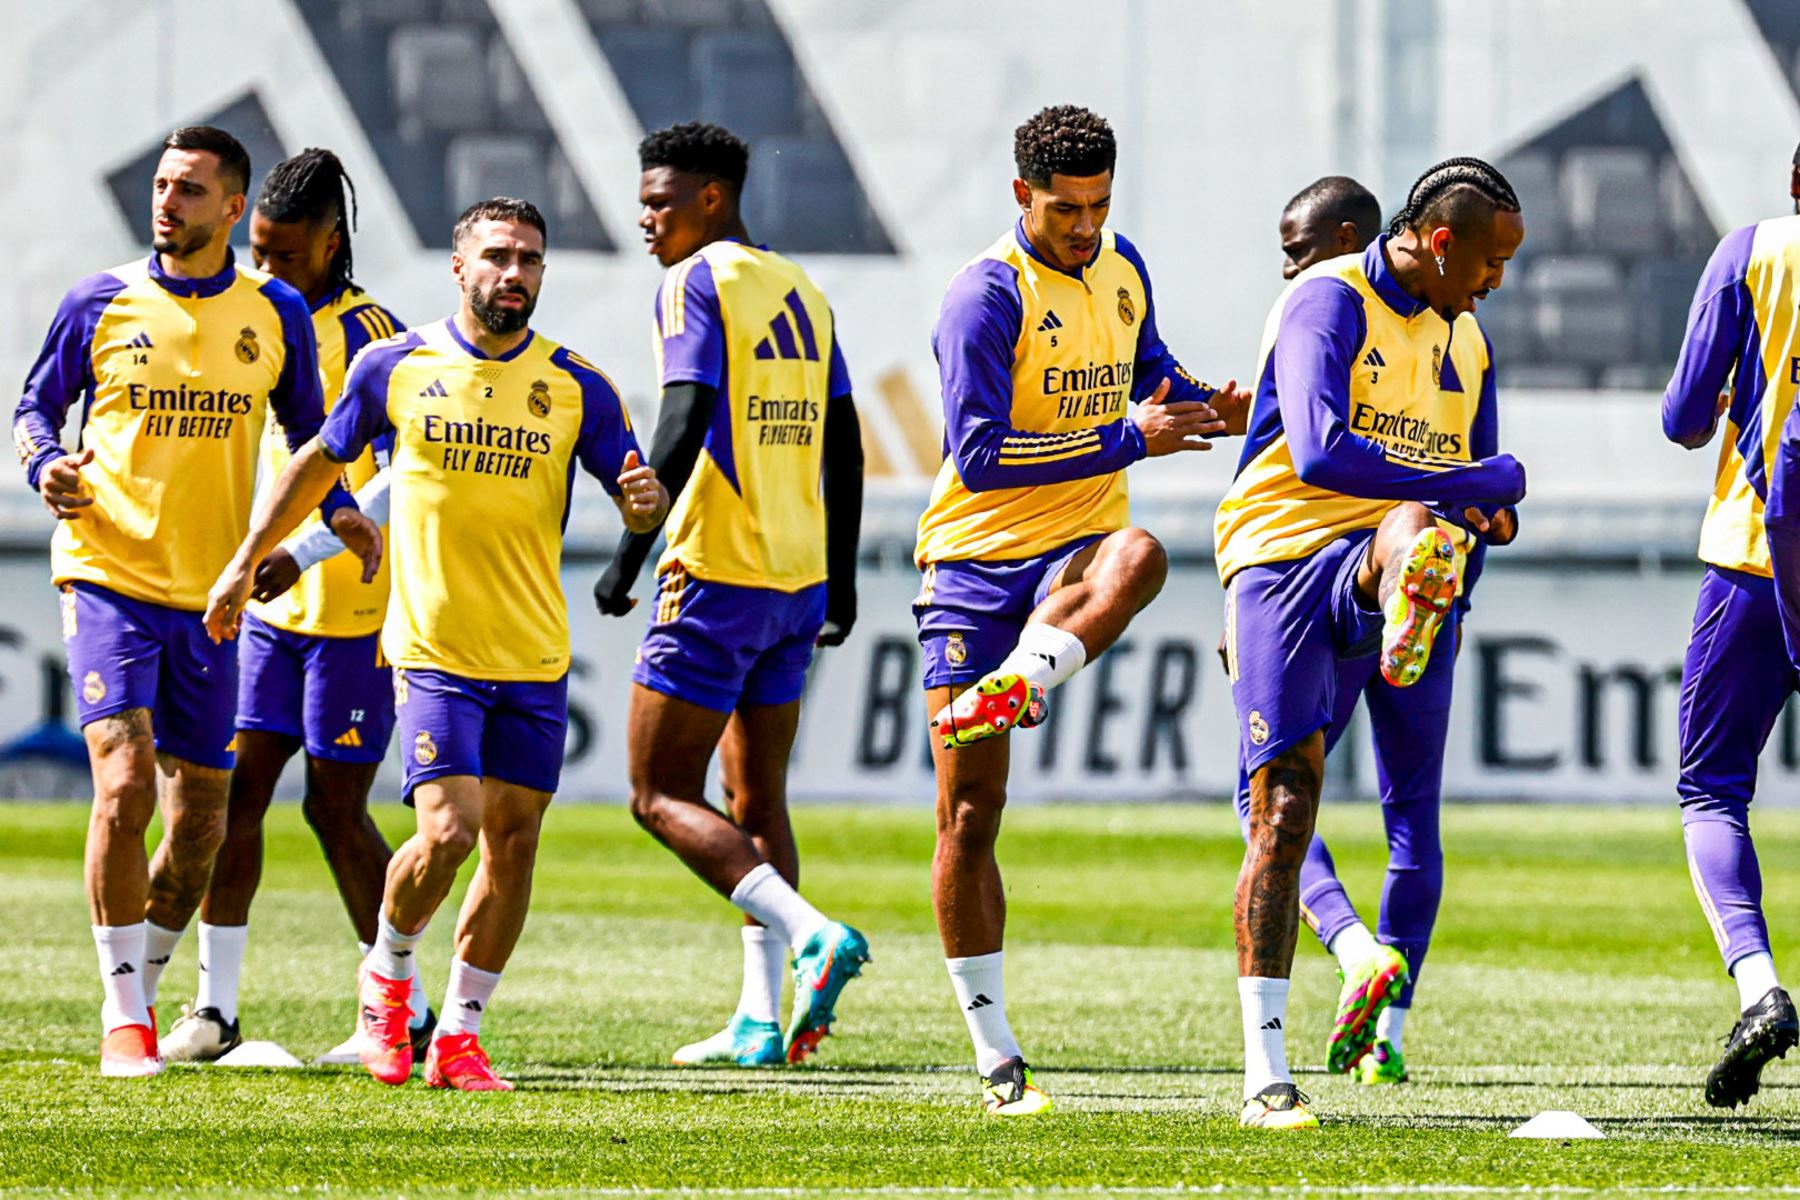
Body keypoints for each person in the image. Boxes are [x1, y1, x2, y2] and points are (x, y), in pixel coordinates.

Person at [204, 197, 668, 1091]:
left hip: (533, 653)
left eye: (531, 259)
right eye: (497, 256)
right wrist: (245, 562)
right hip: (431, 648)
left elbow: (632, 486)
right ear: (459, 267)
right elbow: (317, 461)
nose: (515, 273)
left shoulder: (579, 385)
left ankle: (459, 1031)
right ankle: (387, 973)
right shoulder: (396, 366)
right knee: (447, 833)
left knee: (513, 845)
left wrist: (642, 509)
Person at [12, 125, 361, 1078]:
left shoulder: (277, 313)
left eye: (191, 190)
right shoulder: (101, 299)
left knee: (202, 824)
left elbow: (308, 433)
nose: (169, 202)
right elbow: (34, 409)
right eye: (163, 186)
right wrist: (49, 467)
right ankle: (126, 1017)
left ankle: (149, 978)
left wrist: (339, 514)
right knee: (123, 784)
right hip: (106, 570)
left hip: (213, 594)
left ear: (233, 208)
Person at [915, 104, 1239, 1115]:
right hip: (973, 560)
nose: (1085, 226)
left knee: (1139, 553)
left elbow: (1150, 377)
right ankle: (995, 1051)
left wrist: (1209, 406)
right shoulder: (984, 297)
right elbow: (979, 457)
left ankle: (1020, 680)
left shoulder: (1121, 265)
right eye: (1066, 210)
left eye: (1099, 206)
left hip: (1075, 546)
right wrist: (1131, 440)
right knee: (971, 814)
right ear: (1022, 195)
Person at [1215, 157, 1526, 1129]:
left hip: (1391, 552)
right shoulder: (1328, 301)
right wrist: (1480, 489)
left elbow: (1485, 490)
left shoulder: (1466, 341)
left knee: (1402, 809)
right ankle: (1278, 1064)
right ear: (1440, 242)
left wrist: (1483, 510)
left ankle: (1407, 594)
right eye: (1491, 260)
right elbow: (1313, 453)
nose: (1496, 282)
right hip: (1287, 554)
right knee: (1281, 803)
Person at [594, 122, 869, 1068]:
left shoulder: (694, 280)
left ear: (712, 198)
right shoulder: (801, 284)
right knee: (757, 798)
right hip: (793, 580)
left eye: (661, 203)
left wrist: (630, 558)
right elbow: (845, 439)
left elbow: (685, 412)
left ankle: (813, 933)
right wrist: (839, 579)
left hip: (715, 572)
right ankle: (760, 1017)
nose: (647, 222)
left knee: (654, 791)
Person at [157, 148, 432, 1064]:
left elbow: (399, 477)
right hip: (269, 608)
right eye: (257, 250)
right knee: (235, 796)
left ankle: (404, 1008)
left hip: (353, 609)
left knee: (335, 807)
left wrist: (307, 550)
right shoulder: (252, 318)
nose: (265, 267)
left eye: (282, 253)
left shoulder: (378, 339)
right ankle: (214, 1008)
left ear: (332, 241)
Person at [1665, 145, 1800, 1108]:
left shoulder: (1753, 252)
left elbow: (1681, 418)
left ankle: (1759, 988)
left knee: (1712, 789)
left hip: (1754, 564)